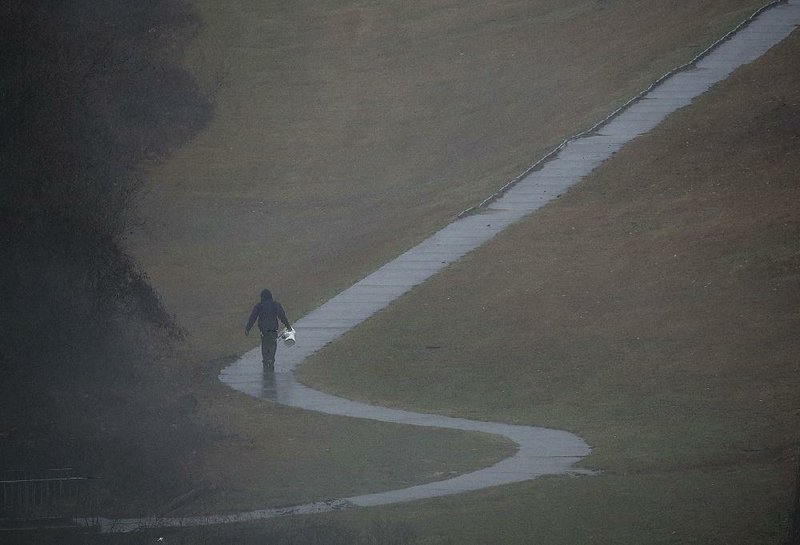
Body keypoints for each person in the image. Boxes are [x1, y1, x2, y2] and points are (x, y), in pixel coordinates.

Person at [245, 289, 293, 371]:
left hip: (263, 330)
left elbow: (253, 318)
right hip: (273, 329)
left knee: (265, 345)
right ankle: (271, 360)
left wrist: (247, 329)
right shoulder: (275, 304)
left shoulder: (259, 306)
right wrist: (288, 326)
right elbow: (282, 316)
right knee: (273, 345)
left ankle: (265, 360)